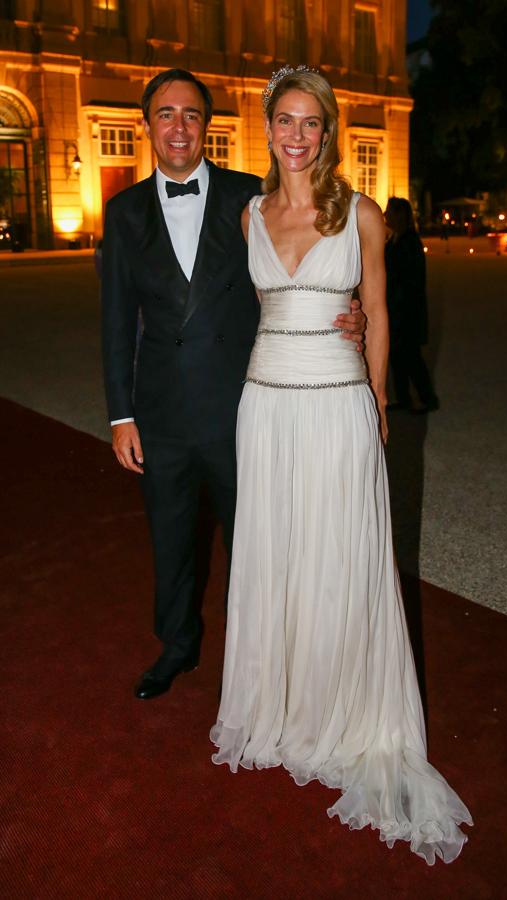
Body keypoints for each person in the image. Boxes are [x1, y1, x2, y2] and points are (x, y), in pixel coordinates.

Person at [210, 66, 472, 864]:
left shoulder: (361, 214)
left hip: (336, 401)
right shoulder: (250, 214)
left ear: (327, 132)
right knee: (279, 558)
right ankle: (282, 704)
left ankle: (350, 714)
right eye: (284, 121)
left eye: (311, 122)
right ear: (269, 128)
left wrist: (379, 399)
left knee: (340, 559)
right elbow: (264, 307)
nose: (297, 134)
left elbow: (383, 313)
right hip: (266, 405)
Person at [101, 68, 366, 701]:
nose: (179, 127)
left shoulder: (250, 199)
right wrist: (120, 415)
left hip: (242, 406)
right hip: (162, 412)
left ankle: (268, 657)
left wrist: (345, 315)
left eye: (191, 114)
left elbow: (298, 273)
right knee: (171, 539)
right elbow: (114, 319)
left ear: (207, 125)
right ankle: (176, 646)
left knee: (263, 544)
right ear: (147, 125)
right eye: (165, 114)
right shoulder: (123, 212)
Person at [384, 197, 439, 413]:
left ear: (400, 215)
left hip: (406, 310)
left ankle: (428, 398)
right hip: (394, 308)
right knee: (396, 356)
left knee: (411, 357)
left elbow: (411, 280)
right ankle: (403, 397)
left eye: (389, 211)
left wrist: (398, 305)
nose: (385, 215)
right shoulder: (393, 240)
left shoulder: (410, 242)